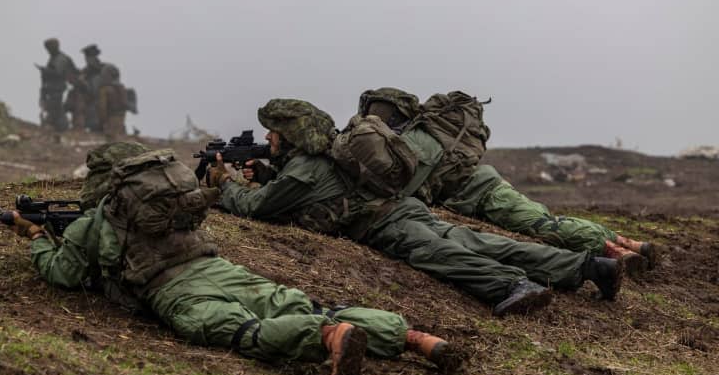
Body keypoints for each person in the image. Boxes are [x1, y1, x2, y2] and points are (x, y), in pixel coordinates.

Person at [5, 146, 464, 375]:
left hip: (174, 289)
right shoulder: (163, 197)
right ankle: (413, 339)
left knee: (243, 330)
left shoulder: (101, 217)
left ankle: (327, 338)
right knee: (299, 301)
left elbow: (64, 274)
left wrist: (35, 238)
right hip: (219, 267)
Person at [210, 99, 623, 317]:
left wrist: (224, 184)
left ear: (292, 134)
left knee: (436, 253)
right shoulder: (319, 158)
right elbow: (298, 191)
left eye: (275, 131)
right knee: (478, 241)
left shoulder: (302, 170)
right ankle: (585, 267)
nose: (269, 136)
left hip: (387, 223)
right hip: (404, 207)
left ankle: (511, 286)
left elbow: (258, 209)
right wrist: (267, 173)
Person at [356, 88, 657, 277]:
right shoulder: (422, 135)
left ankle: (618, 250)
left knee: (542, 225)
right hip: (484, 186)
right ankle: (627, 244)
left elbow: (409, 187)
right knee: (543, 220)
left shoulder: (417, 141)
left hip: (484, 194)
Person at [38, 38, 76, 132]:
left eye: (49, 48)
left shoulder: (60, 58)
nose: (48, 50)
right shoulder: (54, 57)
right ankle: (60, 126)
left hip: (56, 88)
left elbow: (58, 72)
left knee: (54, 107)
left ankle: (54, 125)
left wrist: (45, 71)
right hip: (51, 88)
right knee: (55, 107)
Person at [97, 64, 127, 139]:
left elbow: (102, 108)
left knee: (110, 143)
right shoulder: (122, 89)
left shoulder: (105, 90)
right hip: (121, 120)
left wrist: (102, 122)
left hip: (110, 121)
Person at [81, 44, 105, 132]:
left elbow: (94, 92)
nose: (86, 60)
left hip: (95, 101)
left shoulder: (98, 74)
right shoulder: (87, 72)